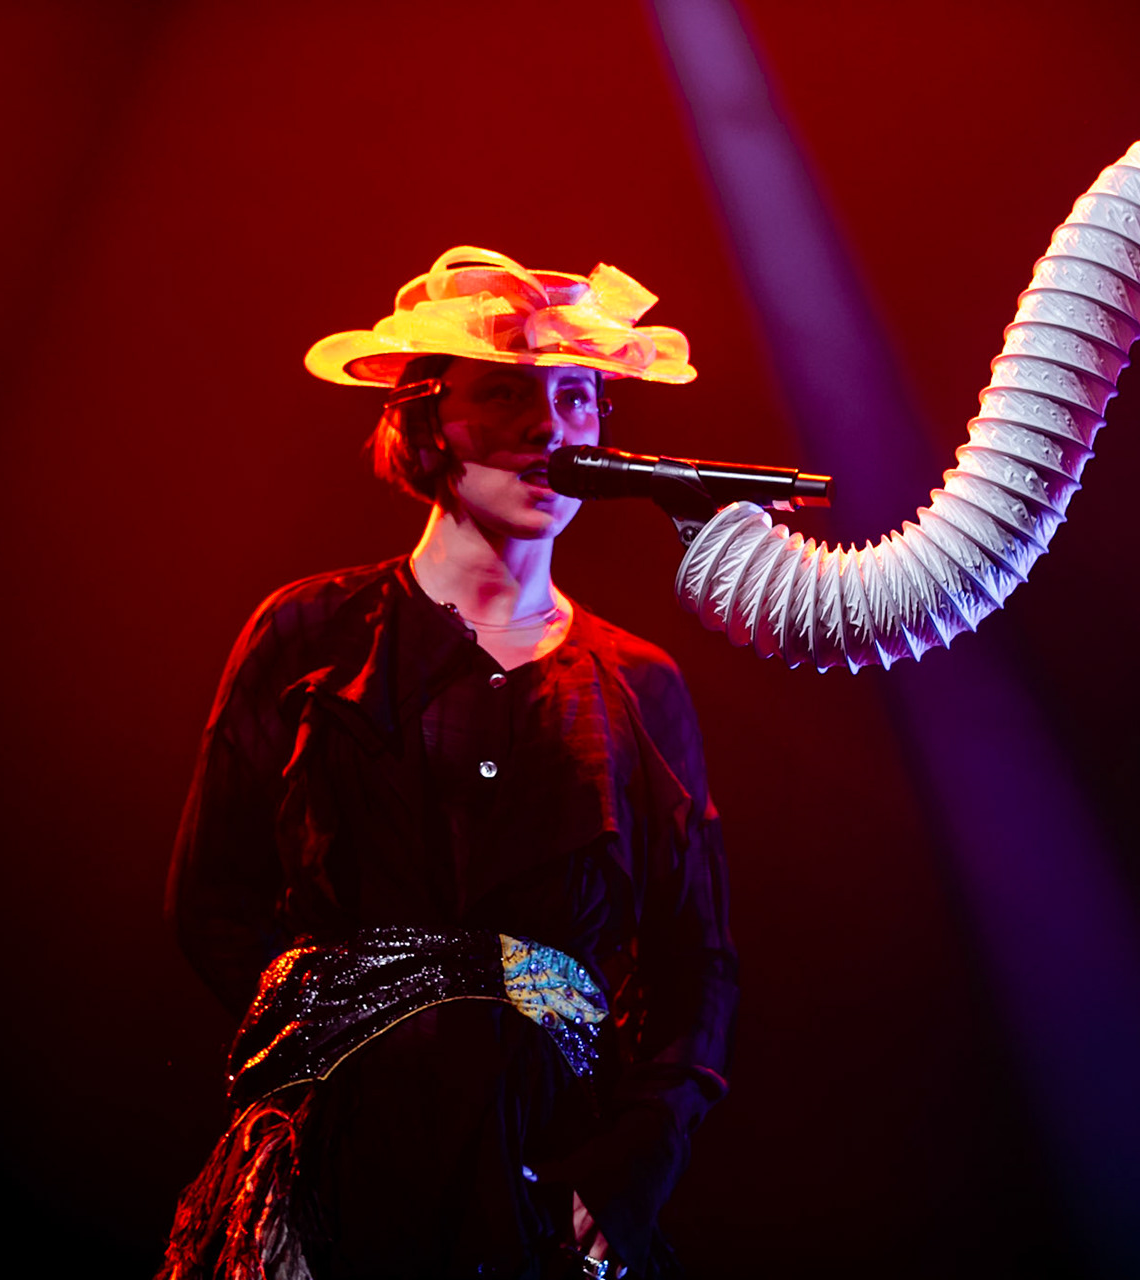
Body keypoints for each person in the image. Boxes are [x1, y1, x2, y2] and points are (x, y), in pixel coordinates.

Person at [162, 247, 736, 1280]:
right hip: (333, 1176)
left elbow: (696, 957)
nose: (548, 428)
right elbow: (210, 896)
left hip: (546, 1181)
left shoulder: (639, 683)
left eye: (575, 397)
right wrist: (345, 1044)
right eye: (508, 392)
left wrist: (638, 1152)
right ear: (429, 417)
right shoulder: (308, 634)